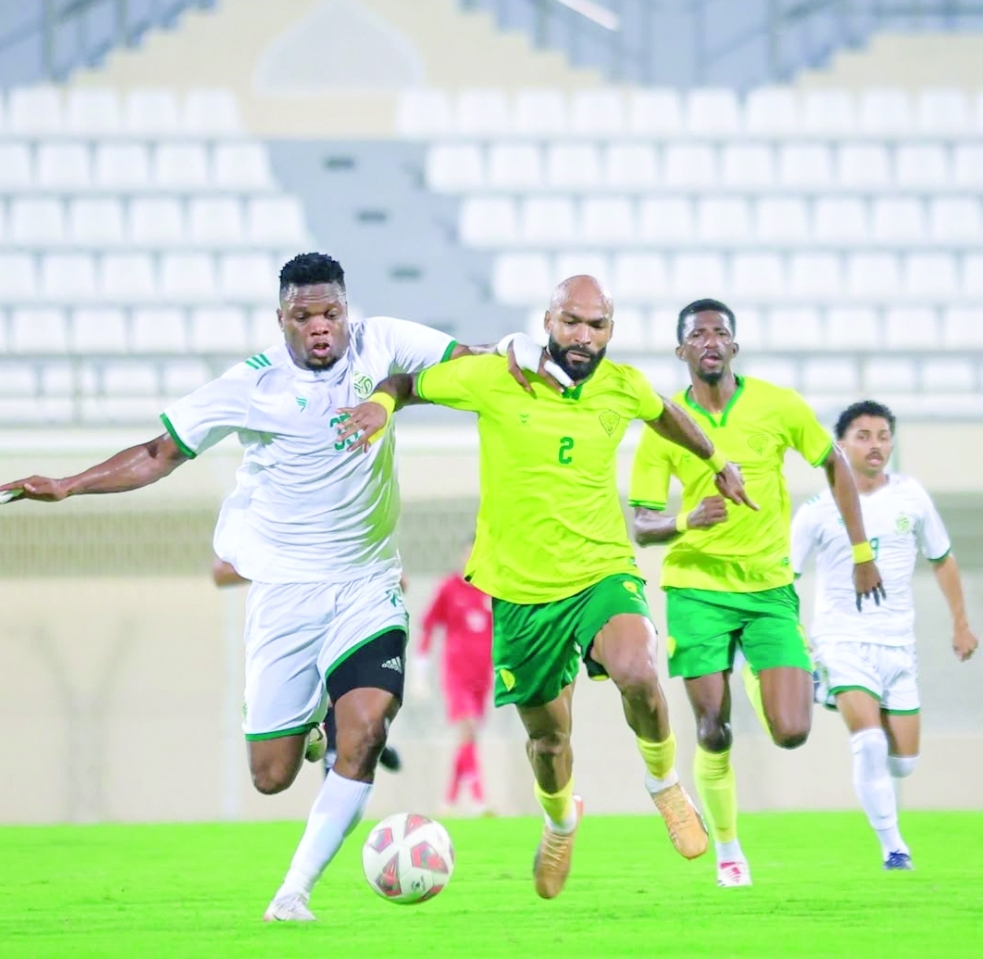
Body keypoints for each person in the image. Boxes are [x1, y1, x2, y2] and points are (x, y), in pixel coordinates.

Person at [0, 251, 556, 922]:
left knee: (367, 731)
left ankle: (294, 892)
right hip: (287, 593)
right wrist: (68, 484)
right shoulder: (252, 385)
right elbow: (158, 453)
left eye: (331, 313)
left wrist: (518, 349)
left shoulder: (383, 342)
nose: (320, 327)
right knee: (271, 776)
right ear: (281, 319)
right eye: (303, 316)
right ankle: (309, 721)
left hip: (367, 581)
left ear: (346, 310)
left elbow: (467, 359)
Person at [335, 275, 755, 900]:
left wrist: (717, 461)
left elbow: (664, 414)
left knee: (638, 668)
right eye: (572, 322)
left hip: (600, 568)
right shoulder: (494, 376)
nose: (584, 336)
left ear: (610, 330)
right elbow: (406, 383)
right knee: (550, 740)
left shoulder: (621, 385)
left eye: (597, 325)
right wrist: (381, 404)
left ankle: (664, 783)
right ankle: (560, 820)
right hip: (520, 590)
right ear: (549, 323)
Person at [628, 298, 884, 889]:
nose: (710, 341)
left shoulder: (777, 404)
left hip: (769, 586)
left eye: (720, 332)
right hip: (697, 588)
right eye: (698, 334)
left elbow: (834, 462)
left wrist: (861, 551)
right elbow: (641, 524)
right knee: (713, 729)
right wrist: (687, 520)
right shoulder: (664, 426)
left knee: (791, 732)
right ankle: (728, 851)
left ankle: (755, 671)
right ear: (681, 350)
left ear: (734, 347)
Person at [791, 400, 977, 870]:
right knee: (870, 743)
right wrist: (794, 640)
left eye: (883, 436)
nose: (875, 445)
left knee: (902, 763)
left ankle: (830, 696)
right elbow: (784, 579)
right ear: (840, 445)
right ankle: (894, 848)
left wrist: (960, 623)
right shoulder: (816, 510)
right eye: (863, 436)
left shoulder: (911, 496)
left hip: (898, 646)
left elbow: (942, 559)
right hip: (842, 641)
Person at [212, 557, 403, 773]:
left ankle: (361, 737)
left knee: (345, 734)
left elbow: (399, 579)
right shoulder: (271, 548)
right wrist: (285, 565)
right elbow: (221, 572)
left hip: (345, 622)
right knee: (277, 765)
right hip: (288, 629)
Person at [414, 541, 493, 815]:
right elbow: (428, 627)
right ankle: (479, 799)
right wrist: (420, 673)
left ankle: (449, 800)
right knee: (467, 728)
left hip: (483, 676)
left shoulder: (492, 590)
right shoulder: (449, 588)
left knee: (469, 738)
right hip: (456, 674)